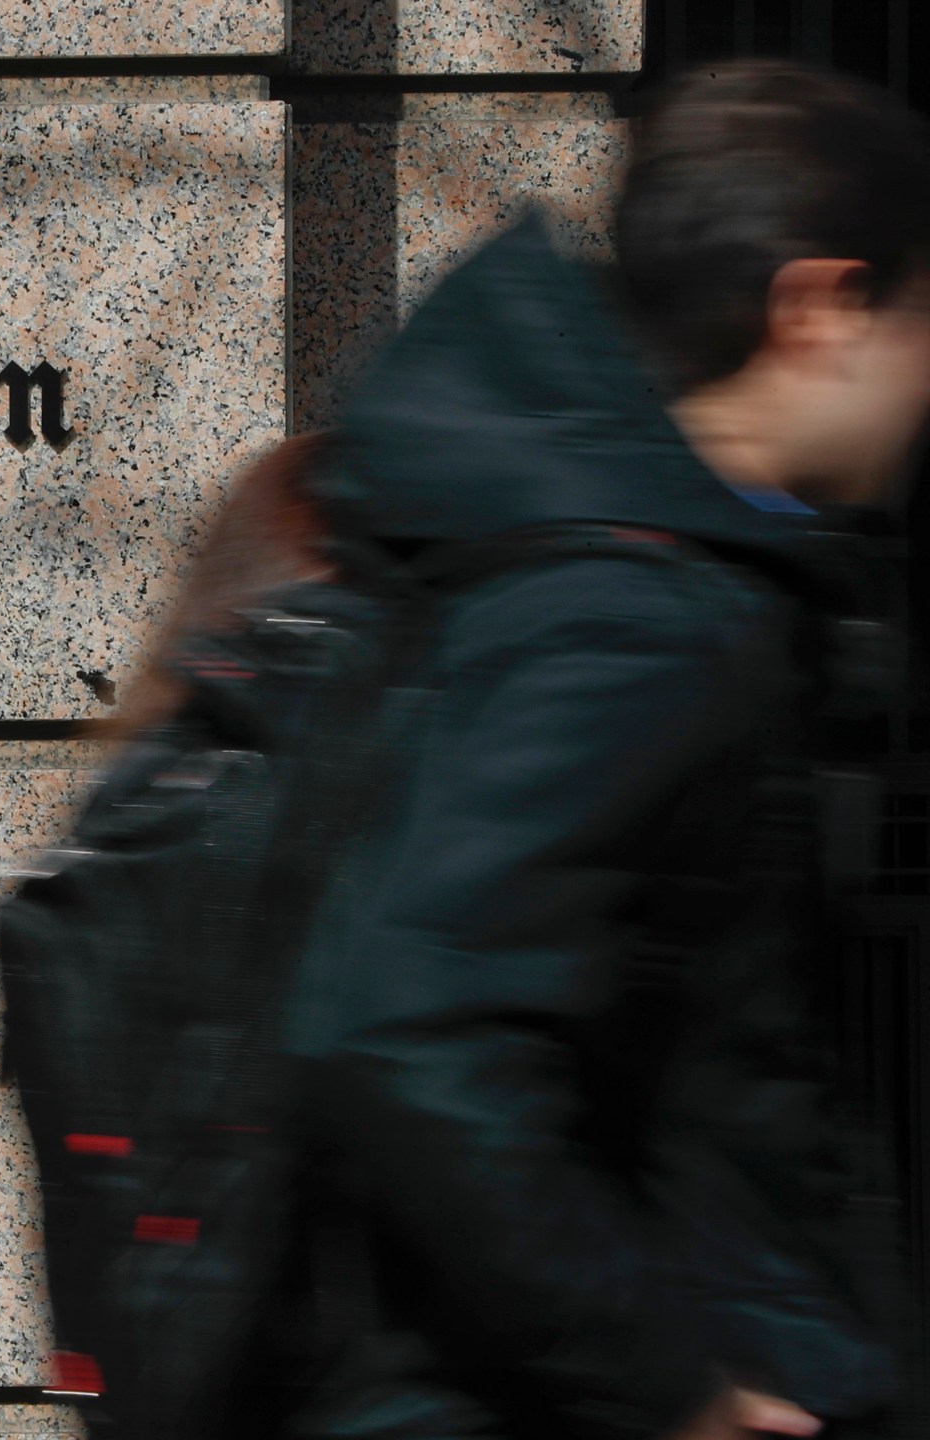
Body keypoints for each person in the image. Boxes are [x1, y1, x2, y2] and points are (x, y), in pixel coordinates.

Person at [249, 61, 930, 1439]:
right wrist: (674, 1386)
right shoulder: (630, 613)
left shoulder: (655, 567)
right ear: (818, 310)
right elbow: (402, 1023)